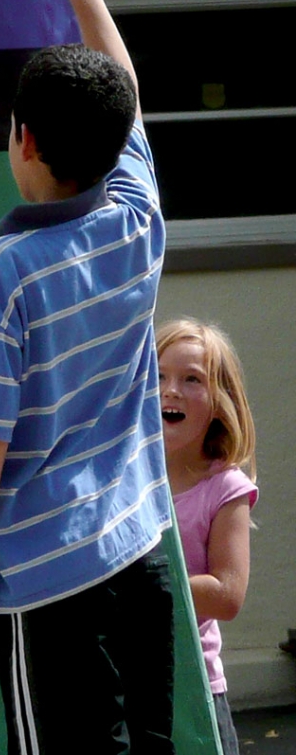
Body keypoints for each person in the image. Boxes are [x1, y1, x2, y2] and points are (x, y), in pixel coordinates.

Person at [0, 0, 173, 753]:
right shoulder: (139, 216)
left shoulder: (7, 268)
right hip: (139, 547)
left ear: (23, 140)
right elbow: (126, 99)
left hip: (47, 572)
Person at [156, 317, 258, 755]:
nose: (171, 389)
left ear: (220, 402)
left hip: (192, 685)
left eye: (191, 379)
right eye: (157, 377)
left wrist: (143, 586)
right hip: (121, 680)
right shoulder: (122, 479)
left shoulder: (225, 489)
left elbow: (228, 594)